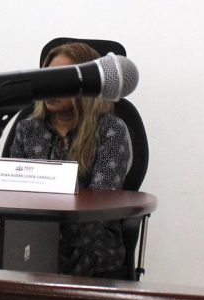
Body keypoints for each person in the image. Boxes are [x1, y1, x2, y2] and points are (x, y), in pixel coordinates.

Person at [9, 42, 133, 277]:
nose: (50, 87)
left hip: (89, 240)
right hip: (33, 235)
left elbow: (100, 203)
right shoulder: (27, 129)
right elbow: (10, 192)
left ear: (88, 85)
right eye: (47, 78)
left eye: (61, 79)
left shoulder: (111, 130)